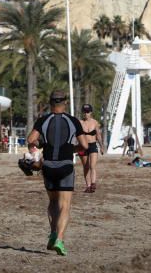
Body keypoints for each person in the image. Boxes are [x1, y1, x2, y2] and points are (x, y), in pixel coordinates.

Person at [27, 89, 86, 256]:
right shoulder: (73, 121)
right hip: (66, 166)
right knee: (64, 206)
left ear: (50, 102)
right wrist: (72, 148)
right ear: (65, 102)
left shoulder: (43, 121)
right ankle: (59, 239)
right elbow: (85, 146)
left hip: (48, 167)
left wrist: (36, 150)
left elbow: (31, 140)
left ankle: (52, 233)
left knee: (52, 202)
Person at [78, 104, 103, 193]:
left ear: (91, 112)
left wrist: (101, 147)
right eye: (84, 112)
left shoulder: (95, 122)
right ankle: (88, 186)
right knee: (86, 167)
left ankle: (93, 184)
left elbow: (98, 135)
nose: (86, 114)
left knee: (92, 166)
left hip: (93, 145)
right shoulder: (80, 123)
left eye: (88, 112)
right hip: (83, 146)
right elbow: (76, 135)